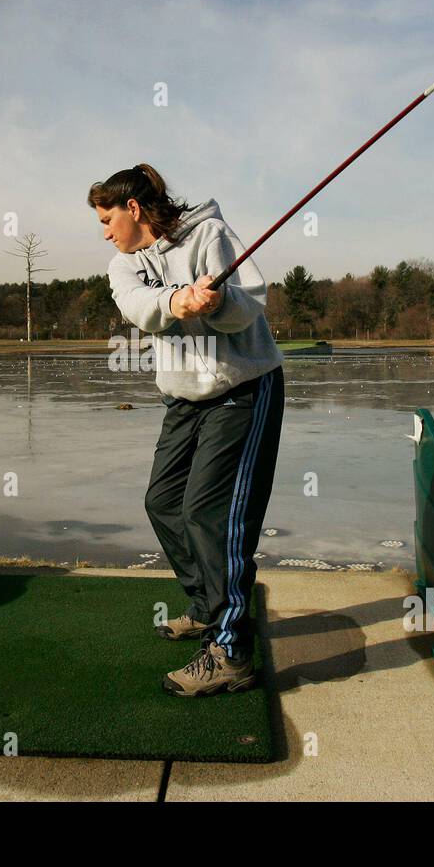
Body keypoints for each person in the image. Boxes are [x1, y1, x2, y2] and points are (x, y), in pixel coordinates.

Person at [88, 164, 284, 697]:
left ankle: (231, 650)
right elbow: (139, 309)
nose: (105, 231)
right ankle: (206, 607)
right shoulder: (122, 265)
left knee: (208, 513)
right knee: (164, 501)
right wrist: (178, 301)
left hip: (243, 386)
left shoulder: (209, 234)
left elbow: (252, 301)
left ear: (133, 209)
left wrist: (219, 302)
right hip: (185, 396)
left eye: (107, 219)